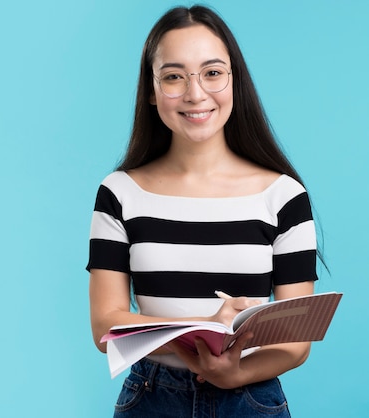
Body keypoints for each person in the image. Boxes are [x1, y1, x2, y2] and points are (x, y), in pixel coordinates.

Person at [86, 5, 320, 418]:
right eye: (174, 76)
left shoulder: (284, 196)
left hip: (251, 398)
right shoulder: (119, 193)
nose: (196, 94)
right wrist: (207, 323)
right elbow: (105, 327)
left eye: (212, 73)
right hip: (151, 396)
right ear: (152, 90)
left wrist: (235, 374)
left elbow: (295, 341)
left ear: (235, 81)